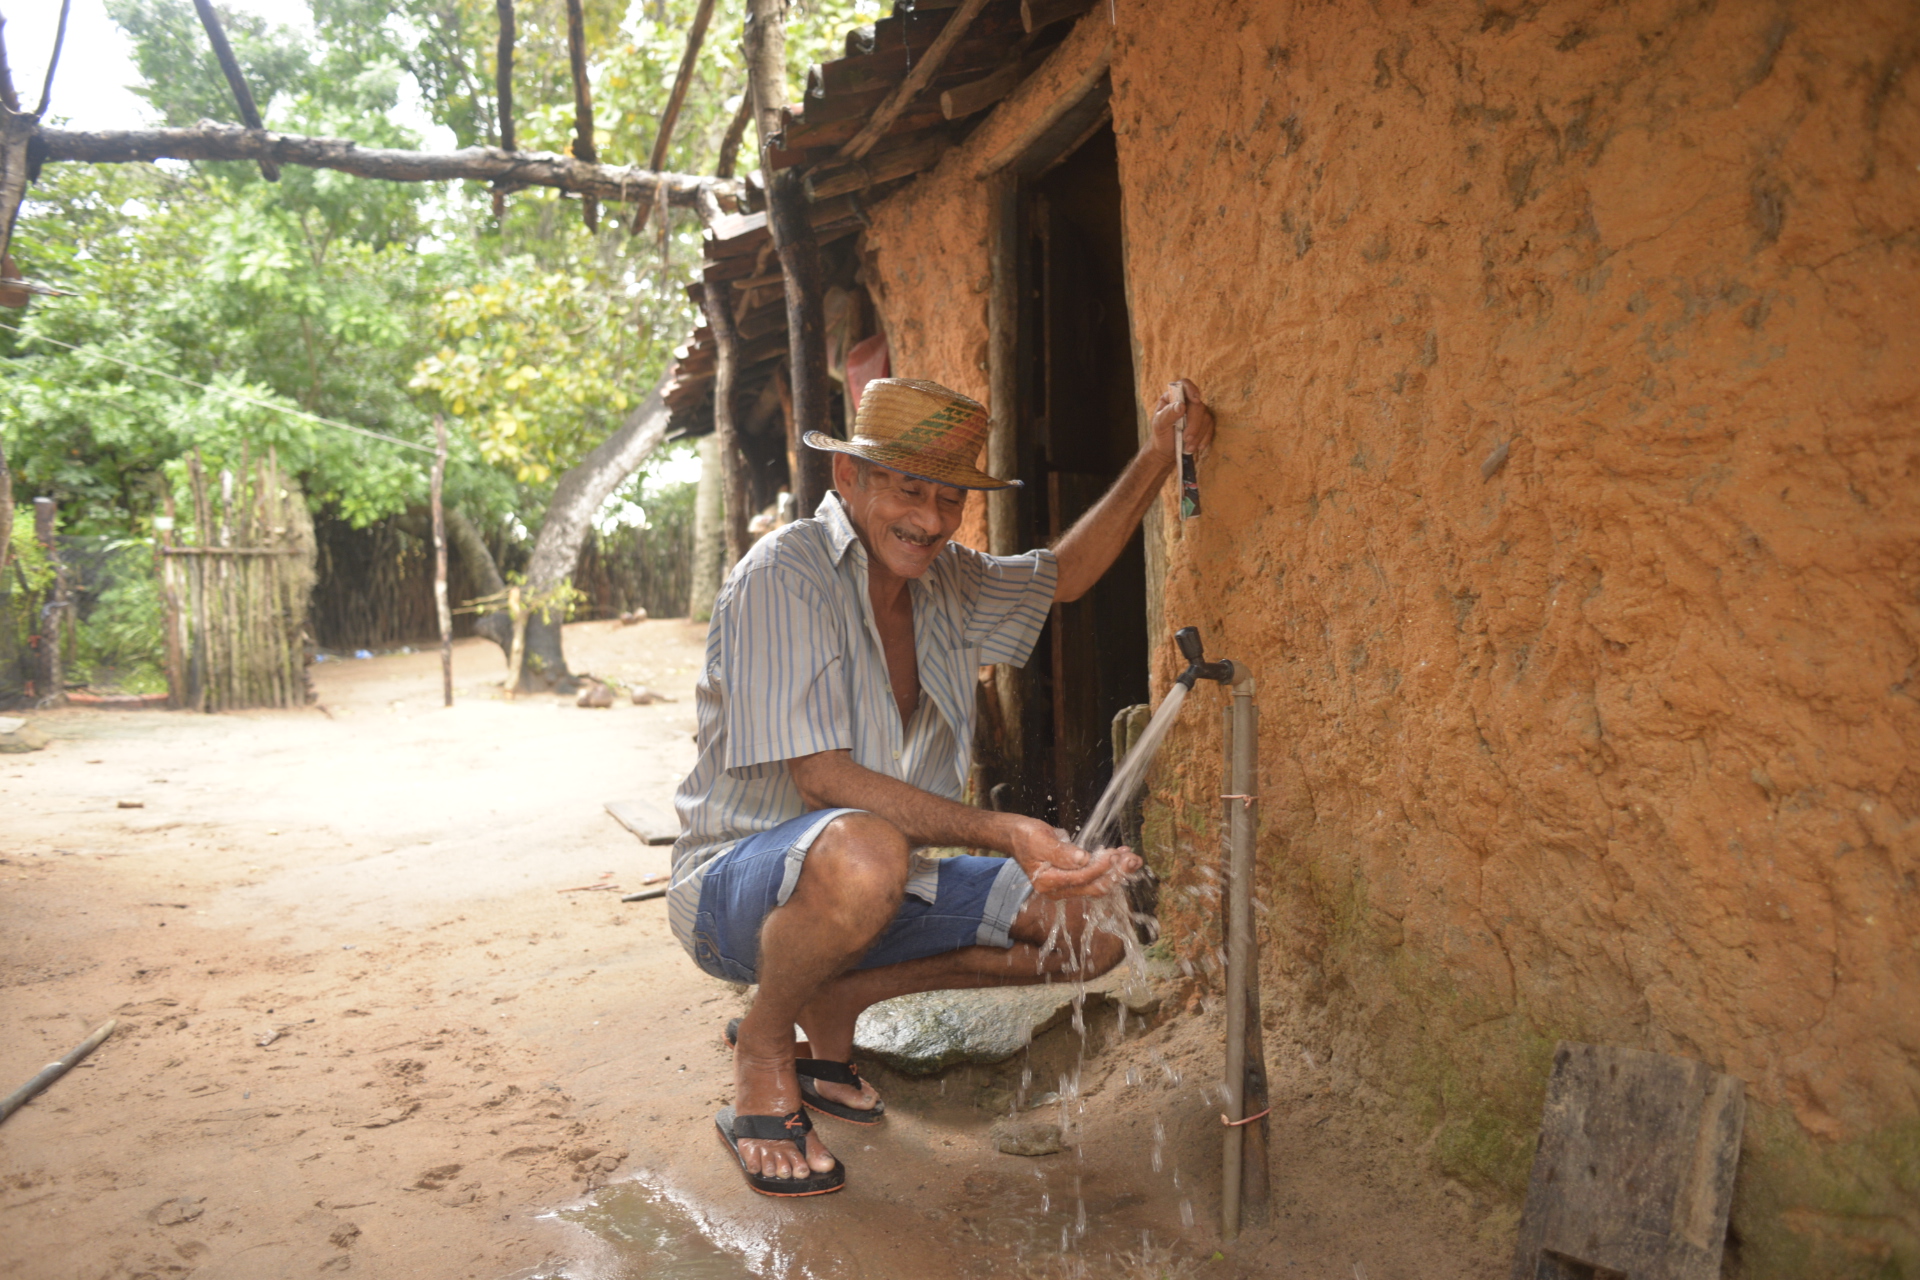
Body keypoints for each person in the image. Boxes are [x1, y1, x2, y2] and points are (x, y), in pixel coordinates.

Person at [668, 376, 1216, 1195]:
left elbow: (1063, 577)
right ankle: (765, 1045)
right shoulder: (784, 574)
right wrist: (1006, 830)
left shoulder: (949, 580)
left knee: (1095, 926)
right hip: (736, 893)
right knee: (864, 847)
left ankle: (837, 993)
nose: (929, 518)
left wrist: (1159, 454)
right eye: (908, 488)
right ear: (848, 479)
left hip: (881, 882)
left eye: (950, 496)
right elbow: (821, 779)